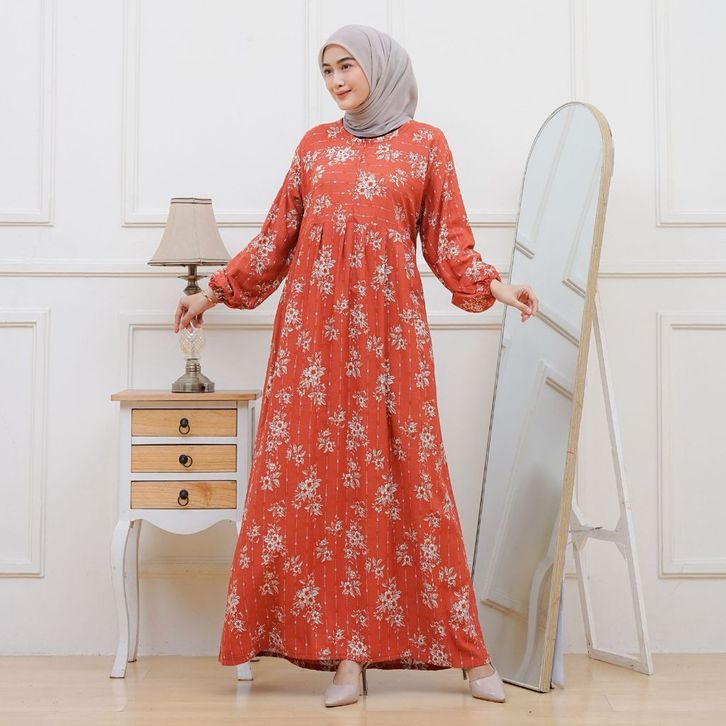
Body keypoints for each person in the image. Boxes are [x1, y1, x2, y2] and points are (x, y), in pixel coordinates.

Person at [175, 23, 538, 708]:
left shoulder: (426, 145)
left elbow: (449, 241)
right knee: (325, 488)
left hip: (391, 340)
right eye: (328, 70)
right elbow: (275, 239)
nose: (338, 80)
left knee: (410, 481)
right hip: (311, 343)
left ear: (380, 67)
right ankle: (348, 656)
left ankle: (469, 654)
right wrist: (212, 293)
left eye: (348, 66)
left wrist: (496, 285)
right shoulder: (314, 147)